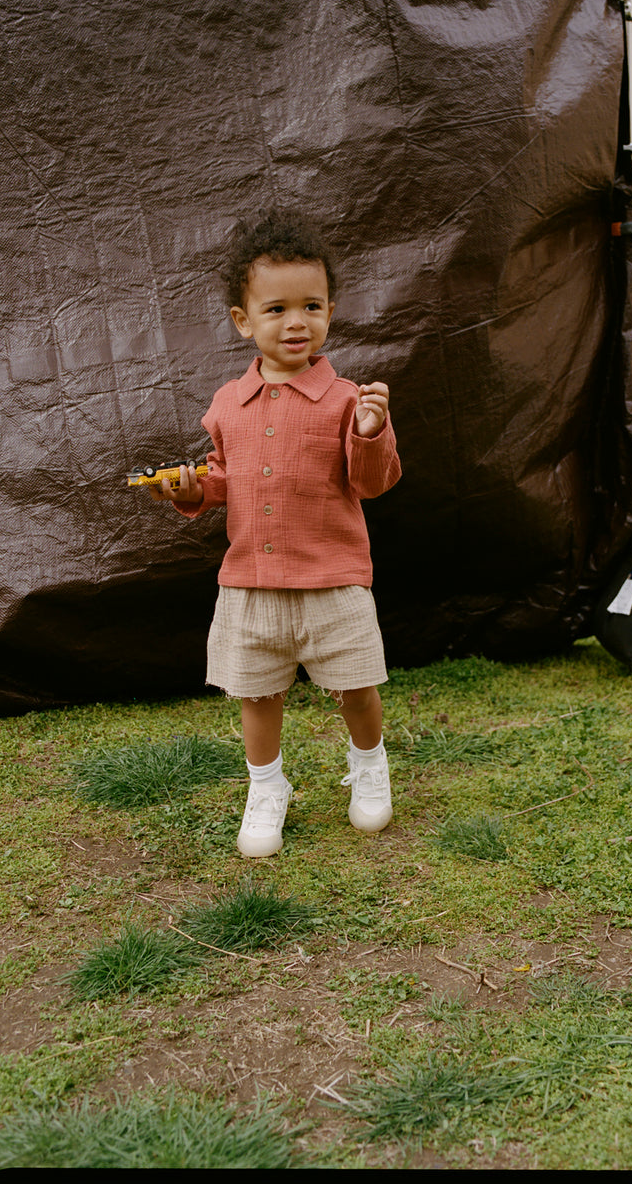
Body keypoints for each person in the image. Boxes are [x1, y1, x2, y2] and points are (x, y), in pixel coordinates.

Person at [149, 209, 402, 858]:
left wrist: (372, 431)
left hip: (333, 579)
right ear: (244, 320)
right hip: (252, 583)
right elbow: (222, 478)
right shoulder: (228, 405)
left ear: (330, 310)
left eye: (312, 306)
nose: (297, 322)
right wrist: (190, 488)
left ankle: (369, 765)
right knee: (257, 693)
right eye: (278, 308)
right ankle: (267, 785)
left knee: (355, 686)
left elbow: (371, 482)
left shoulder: (347, 398)